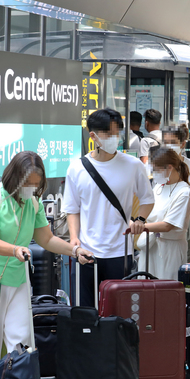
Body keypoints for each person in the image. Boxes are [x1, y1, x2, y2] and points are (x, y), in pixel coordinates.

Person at [0, 151, 94, 379]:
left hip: (16, 275)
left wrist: (74, 251)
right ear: (14, 178)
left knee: (22, 340)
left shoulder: (32, 203)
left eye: (36, 184)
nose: (32, 189)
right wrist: (15, 250)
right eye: (27, 184)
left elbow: (46, 239)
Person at [64, 108, 155, 307]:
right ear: (94, 136)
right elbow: (72, 209)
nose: (115, 138)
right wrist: (74, 239)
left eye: (117, 133)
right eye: (109, 134)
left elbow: (148, 199)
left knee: (119, 312)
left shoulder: (133, 165)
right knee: (84, 312)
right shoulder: (77, 168)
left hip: (120, 251)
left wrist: (140, 219)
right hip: (86, 253)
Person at [139, 148, 190, 280]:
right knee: (145, 289)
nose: (154, 174)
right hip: (150, 245)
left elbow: (168, 225)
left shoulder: (184, 192)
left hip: (170, 249)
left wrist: (140, 226)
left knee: (166, 290)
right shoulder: (159, 186)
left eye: (157, 170)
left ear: (169, 168)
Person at [162, 124, 190, 203]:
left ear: (183, 144)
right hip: (160, 213)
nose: (169, 146)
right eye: (165, 142)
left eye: (173, 142)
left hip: (184, 212)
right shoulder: (157, 165)